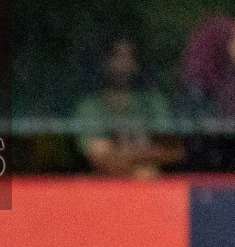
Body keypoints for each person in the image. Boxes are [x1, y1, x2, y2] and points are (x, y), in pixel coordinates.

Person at [74, 38, 181, 177]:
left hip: (154, 188)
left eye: (129, 57)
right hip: (107, 190)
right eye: (118, 56)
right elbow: (100, 157)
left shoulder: (153, 102)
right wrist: (148, 157)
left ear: (136, 64)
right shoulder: (90, 107)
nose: (123, 63)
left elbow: (174, 151)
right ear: (105, 61)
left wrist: (124, 157)